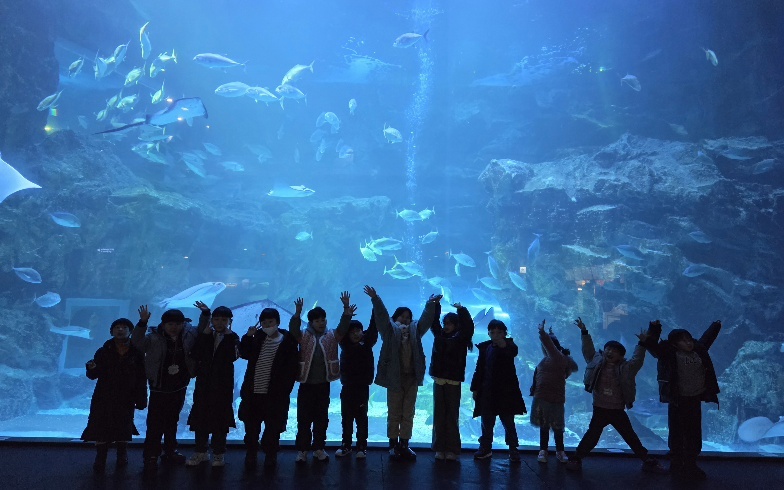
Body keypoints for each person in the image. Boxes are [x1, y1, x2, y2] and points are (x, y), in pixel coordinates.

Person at [566, 317, 666, 473]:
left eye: (614, 351)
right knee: (592, 436)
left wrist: (641, 344)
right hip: (599, 408)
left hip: (617, 410)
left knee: (630, 436)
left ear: (621, 356)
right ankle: (576, 458)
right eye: (608, 349)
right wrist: (584, 332)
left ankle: (647, 459)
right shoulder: (596, 361)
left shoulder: (627, 368)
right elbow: (588, 350)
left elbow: (637, 359)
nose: (610, 352)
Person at [363, 285, 438, 461]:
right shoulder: (389, 331)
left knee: (408, 413)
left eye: (408, 317)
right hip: (394, 378)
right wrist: (375, 299)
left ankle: (404, 444)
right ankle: (392, 444)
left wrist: (430, 304)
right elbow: (381, 316)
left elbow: (426, 320)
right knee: (394, 412)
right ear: (395, 317)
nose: (405, 319)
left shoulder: (415, 331)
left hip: (411, 378)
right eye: (402, 316)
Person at [642, 319, 722, 480]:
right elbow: (653, 347)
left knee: (694, 432)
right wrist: (654, 328)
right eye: (683, 341)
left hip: (694, 399)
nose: (688, 343)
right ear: (674, 344)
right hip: (677, 400)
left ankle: (691, 463)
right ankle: (676, 462)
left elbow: (707, 338)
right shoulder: (668, 354)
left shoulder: (699, 349)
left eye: (689, 339)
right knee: (677, 432)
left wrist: (716, 325)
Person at [132, 305, 206, 477]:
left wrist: (205, 314)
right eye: (170, 324)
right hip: (159, 387)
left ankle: (170, 451)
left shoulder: (188, 334)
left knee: (173, 420)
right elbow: (137, 343)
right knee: (155, 423)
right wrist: (142, 323)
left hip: (179, 386)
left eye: (178, 324)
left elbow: (202, 331)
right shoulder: (153, 337)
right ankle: (151, 456)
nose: (174, 327)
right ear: (163, 324)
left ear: (183, 324)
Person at [290, 292, 354, 463]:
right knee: (304, 419)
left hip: (323, 384)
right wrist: (297, 313)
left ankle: (319, 448)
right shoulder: (303, 335)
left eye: (323, 320)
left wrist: (346, 309)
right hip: (306, 384)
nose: (321, 323)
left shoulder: (332, 335)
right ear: (311, 322)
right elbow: (293, 330)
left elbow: (343, 327)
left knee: (321, 418)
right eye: (317, 320)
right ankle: (302, 450)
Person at [81, 317, 147, 473]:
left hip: (126, 395)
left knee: (124, 424)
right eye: (117, 327)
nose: (120, 330)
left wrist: (142, 399)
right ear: (111, 331)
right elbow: (93, 376)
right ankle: (101, 456)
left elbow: (141, 377)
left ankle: (122, 453)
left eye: (124, 327)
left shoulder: (137, 353)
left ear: (130, 332)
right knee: (101, 425)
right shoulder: (103, 351)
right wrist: (91, 368)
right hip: (104, 395)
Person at [238, 306, 299, 469]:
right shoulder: (257, 338)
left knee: (273, 428)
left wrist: (285, 390)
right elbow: (244, 354)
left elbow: (292, 368)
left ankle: (271, 454)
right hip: (253, 392)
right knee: (251, 427)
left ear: (277, 322)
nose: (267, 325)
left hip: (275, 395)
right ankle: (251, 452)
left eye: (270, 322)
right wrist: (248, 337)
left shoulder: (288, 341)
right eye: (264, 323)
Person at [184, 303, 240, 468]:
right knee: (200, 418)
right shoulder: (206, 335)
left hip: (223, 385)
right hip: (204, 384)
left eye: (224, 320)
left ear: (229, 321)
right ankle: (200, 452)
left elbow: (233, 356)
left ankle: (218, 454)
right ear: (212, 320)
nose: (220, 323)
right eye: (216, 319)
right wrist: (205, 335)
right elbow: (195, 354)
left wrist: (229, 337)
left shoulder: (233, 337)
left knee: (220, 420)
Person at [470, 319, 527, 463]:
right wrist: (475, 388)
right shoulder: (485, 348)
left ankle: (513, 448)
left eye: (499, 332)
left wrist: (503, 344)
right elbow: (479, 369)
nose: (495, 335)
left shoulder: (510, 346)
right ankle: (486, 447)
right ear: (488, 333)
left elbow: (512, 351)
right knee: (486, 422)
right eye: (493, 332)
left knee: (508, 422)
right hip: (487, 391)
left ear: (504, 333)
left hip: (505, 392)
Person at [428, 301, 475, 461]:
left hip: (453, 381)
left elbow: (469, 327)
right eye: (445, 323)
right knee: (439, 415)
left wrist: (462, 310)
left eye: (449, 323)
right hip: (439, 380)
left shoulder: (461, 338)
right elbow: (433, 322)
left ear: (456, 325)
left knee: (452, 416)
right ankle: (439, 448)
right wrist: (436, 305)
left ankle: (452, 449)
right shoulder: (439, 335)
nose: (446, 326)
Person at [529, 320, 578, 464]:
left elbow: (549, 345)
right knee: (547, 426)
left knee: (556, 426)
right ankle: (545, 450)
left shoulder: (557, 357)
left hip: (554, 398)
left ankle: (558, 451)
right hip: (542, 396)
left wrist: (542, 332)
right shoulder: (547, 359)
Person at [335, 308, 378, 459]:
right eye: (352, 331)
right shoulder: (344, 344)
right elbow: (341, 330)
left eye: (358, 330)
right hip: (347, 387)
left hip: (362, 388)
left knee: (361, 418)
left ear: (362, 332)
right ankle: (346, 445)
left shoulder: (367, 343)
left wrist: (375, 305)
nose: (355, 334)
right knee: (346, 418)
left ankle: (361, 446)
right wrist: (346, 315)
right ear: (347, 334)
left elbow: (373, 327)